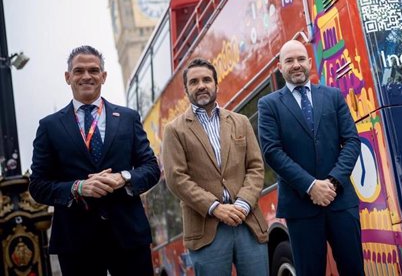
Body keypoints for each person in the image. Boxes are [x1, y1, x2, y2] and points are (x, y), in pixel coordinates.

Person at [29, 45, 160, 276]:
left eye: (93, 70)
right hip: (76, 242)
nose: (86, 76)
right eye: (79, 71)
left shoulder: (128, 118)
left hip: (128, 235)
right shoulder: (49, 126)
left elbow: (151, 168)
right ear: (68, 77)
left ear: (104, 76)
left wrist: (124, 178)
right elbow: (38, 185)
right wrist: (78, 187)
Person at [258, 40, 364, 276]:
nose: (296, 65)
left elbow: (352, 141)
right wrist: (311, 186)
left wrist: (332, 183)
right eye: (289, 61)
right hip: (300, 207)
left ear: (309, 62)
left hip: (341, 201)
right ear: (280, 66)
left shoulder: (333, 96)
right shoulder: (268, 105)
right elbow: (272, 152)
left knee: (354, 269)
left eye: (300, 59)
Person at [162, 58, 268, 275]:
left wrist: (243, 204)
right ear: (187, 89)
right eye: (194, 82)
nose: (201, 85)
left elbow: (256, 167)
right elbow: (176, 178)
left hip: (247, 221)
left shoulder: (240, 122)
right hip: (206, 229)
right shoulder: (174, 130)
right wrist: (216, 207)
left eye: (206, 80)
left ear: (216, 85)